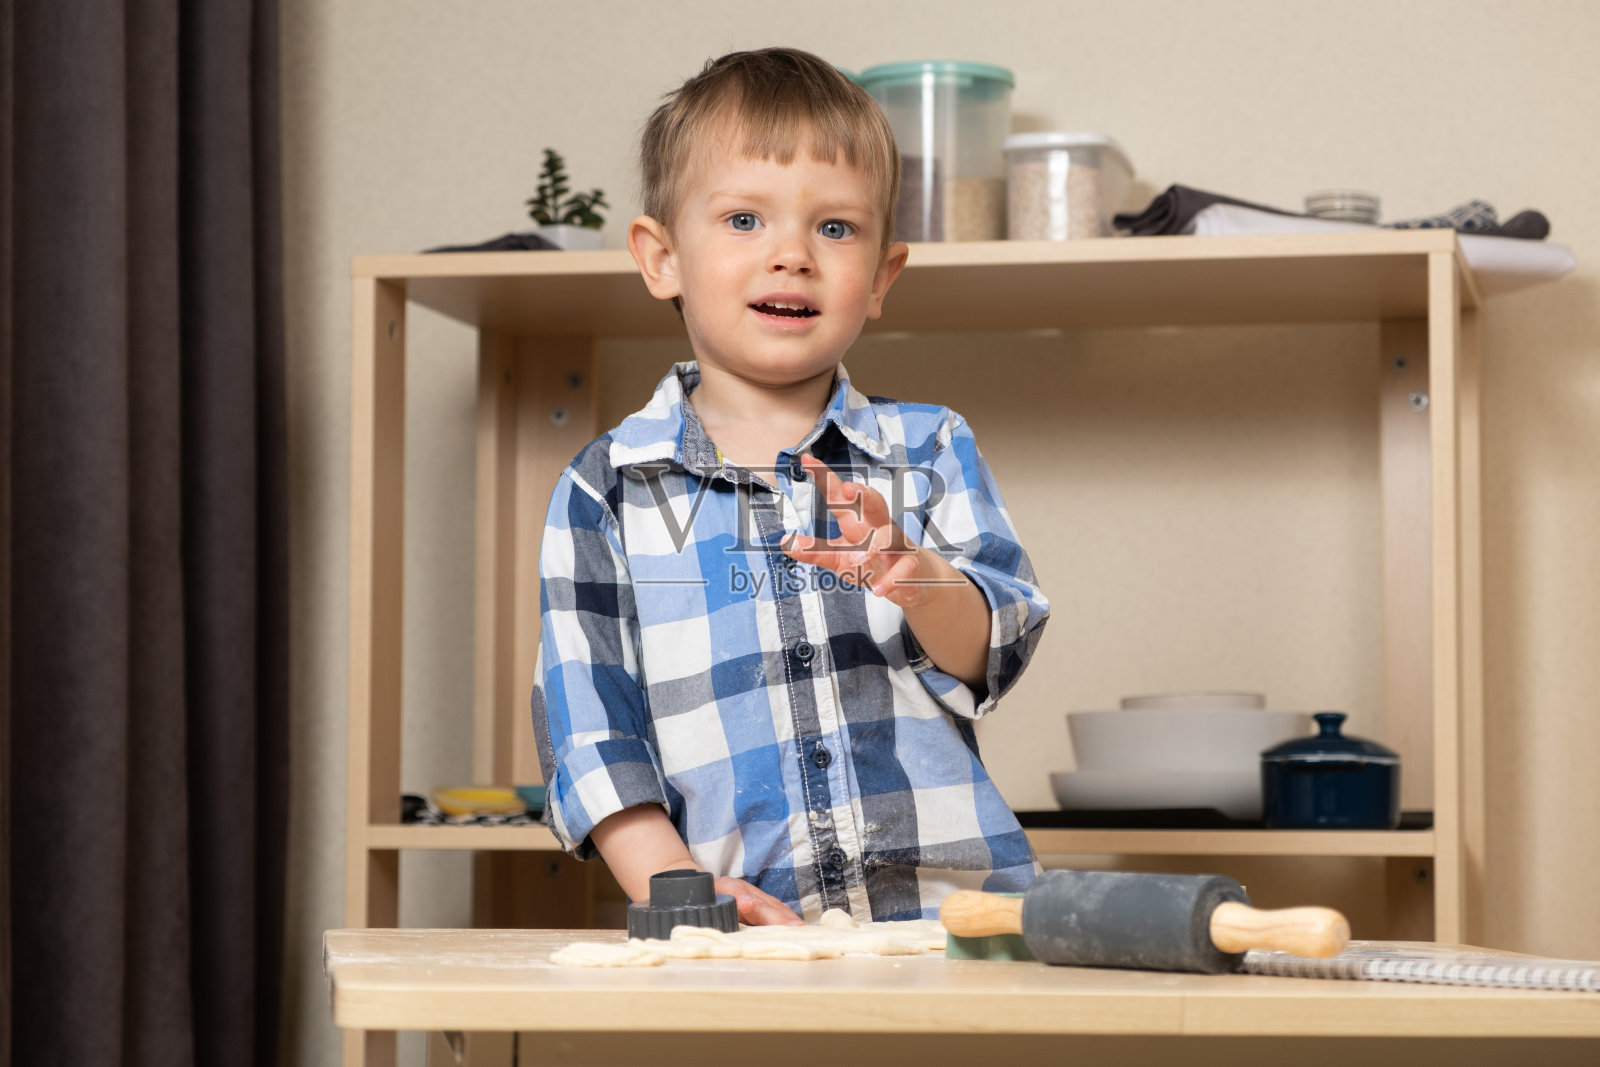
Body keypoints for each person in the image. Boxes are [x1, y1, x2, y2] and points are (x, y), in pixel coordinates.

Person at [530, 47, 1050, 925]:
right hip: (732, 932)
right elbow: (591, 733)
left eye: (835, 229)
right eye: (743, 220)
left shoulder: (930, 446)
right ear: (662, 258)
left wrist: (915, 577)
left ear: (882, 276)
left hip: (953, 924)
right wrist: (676, 886)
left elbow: (996, 643)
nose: (792, 256)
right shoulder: (603, 490)